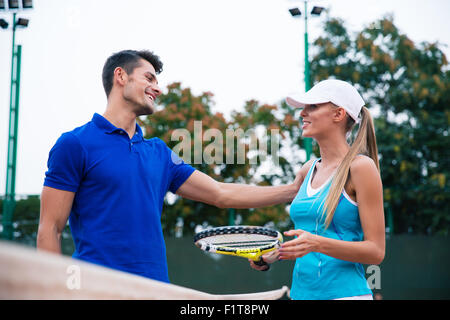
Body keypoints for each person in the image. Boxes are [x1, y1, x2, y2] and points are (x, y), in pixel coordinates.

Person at [37, 49, 302, 283]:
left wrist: (291, 190)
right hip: (96, 287)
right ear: (121, 76)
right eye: (149, 78)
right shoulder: (74, 144)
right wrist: (55, 291)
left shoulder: (159, 153)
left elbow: (221, 193)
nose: (158, 88)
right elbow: (50, 229)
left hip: (156, 288)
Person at [249, 79, 385, 300]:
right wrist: (271, 255)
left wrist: (316, 243)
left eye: (312, 107)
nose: (302, 113)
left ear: (338, 114)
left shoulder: (361, 168)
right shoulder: (307, 170)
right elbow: (307, 239)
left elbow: (376, 252)